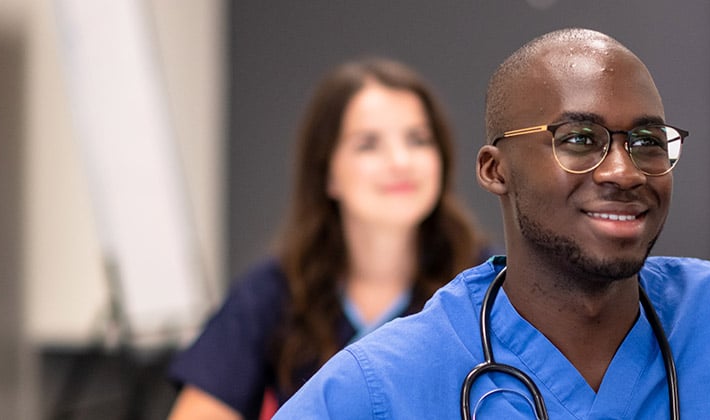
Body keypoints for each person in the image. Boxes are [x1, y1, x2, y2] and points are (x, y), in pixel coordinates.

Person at [276, 28, 710, 419]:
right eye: (578, 139)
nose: (624, 170)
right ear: (495, 169)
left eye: (648, 142)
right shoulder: (389, 383)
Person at [167, 58, 485, 419]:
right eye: (368, 144)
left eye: (418, 140)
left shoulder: (489, 289)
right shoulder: (273, 294)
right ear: (327, 173)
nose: (400, 161)